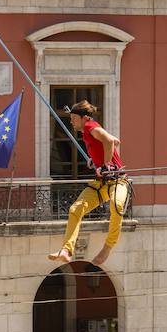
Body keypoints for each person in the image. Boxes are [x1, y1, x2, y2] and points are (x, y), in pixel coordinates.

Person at [48, 100, 127, 266]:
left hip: (117, 180)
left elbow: (110, 141)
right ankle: (66, 250)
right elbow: (116, 141)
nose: (71, 121)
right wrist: (95, 161)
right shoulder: (87, 131)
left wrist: (106, 164)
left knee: (116, 205)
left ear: (84, 118)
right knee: (75, 209)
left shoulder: (90, 126)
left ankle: (107, 248)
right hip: (101, 183)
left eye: (74, 118)